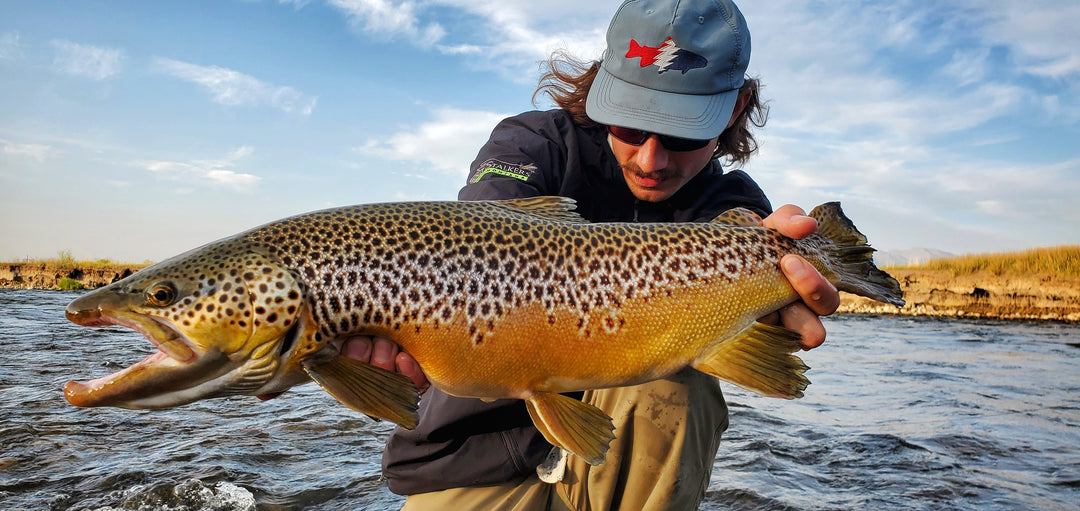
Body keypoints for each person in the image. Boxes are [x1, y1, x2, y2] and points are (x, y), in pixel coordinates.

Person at [342, 0, 840, 509]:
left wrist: (777, 298)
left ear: (735, 107)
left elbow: (763, 336)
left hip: (627, 468)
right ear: (603, 88)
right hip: (471, 455)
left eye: (682, 131)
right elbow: (472, 237)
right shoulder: (532, 144)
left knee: (679, 381)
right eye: (628, 126)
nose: (651, 159)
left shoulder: (729, 209)